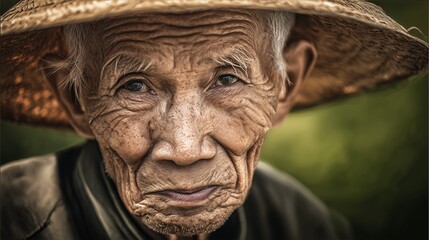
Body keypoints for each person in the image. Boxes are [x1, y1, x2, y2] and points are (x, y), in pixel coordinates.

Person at [0, 1, 427, 239]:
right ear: (77, 99)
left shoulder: (299, 222)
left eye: (227, 79)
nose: (186, 149)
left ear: (285, 84)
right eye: (134, 86)